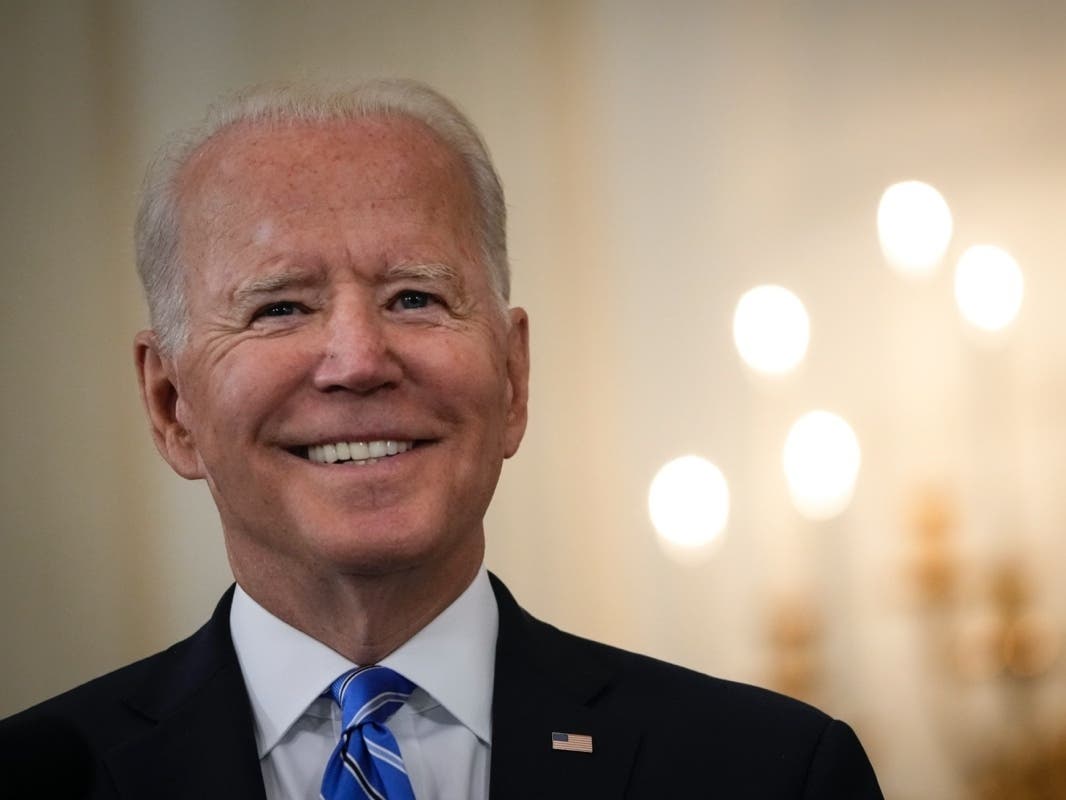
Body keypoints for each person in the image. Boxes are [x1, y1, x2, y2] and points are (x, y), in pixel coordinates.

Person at [0, 79, 883, 799]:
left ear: (513, 378)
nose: (357, 360)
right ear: (169, 405)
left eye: (415, 297)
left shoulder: (769, 774)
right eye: (279, 308)